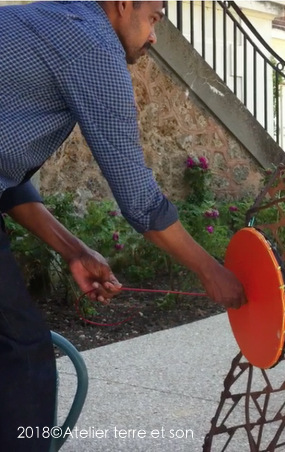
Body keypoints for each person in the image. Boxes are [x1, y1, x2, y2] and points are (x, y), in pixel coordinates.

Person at [0, 2, 245, 450]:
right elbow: (141, 202)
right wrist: (212, 271)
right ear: (123, 4)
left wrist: (75, 250)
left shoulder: (44, 22)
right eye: (154, 17)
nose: (154, 36)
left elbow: (8, 184)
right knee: (21, 353)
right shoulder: (94, 43)